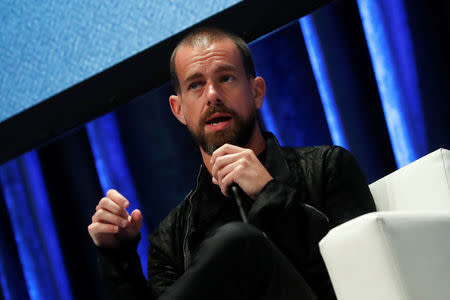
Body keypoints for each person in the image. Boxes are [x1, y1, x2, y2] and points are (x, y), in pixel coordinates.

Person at [88, 27, 376, 300]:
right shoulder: (170, 238)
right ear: (179, 110)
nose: (212, 95)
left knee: (240, 242)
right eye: (196, 85)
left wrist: (269, 193)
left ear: (257, 92)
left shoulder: (327, 168)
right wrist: (118, 255)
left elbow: (368, 274)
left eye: (226, 78)